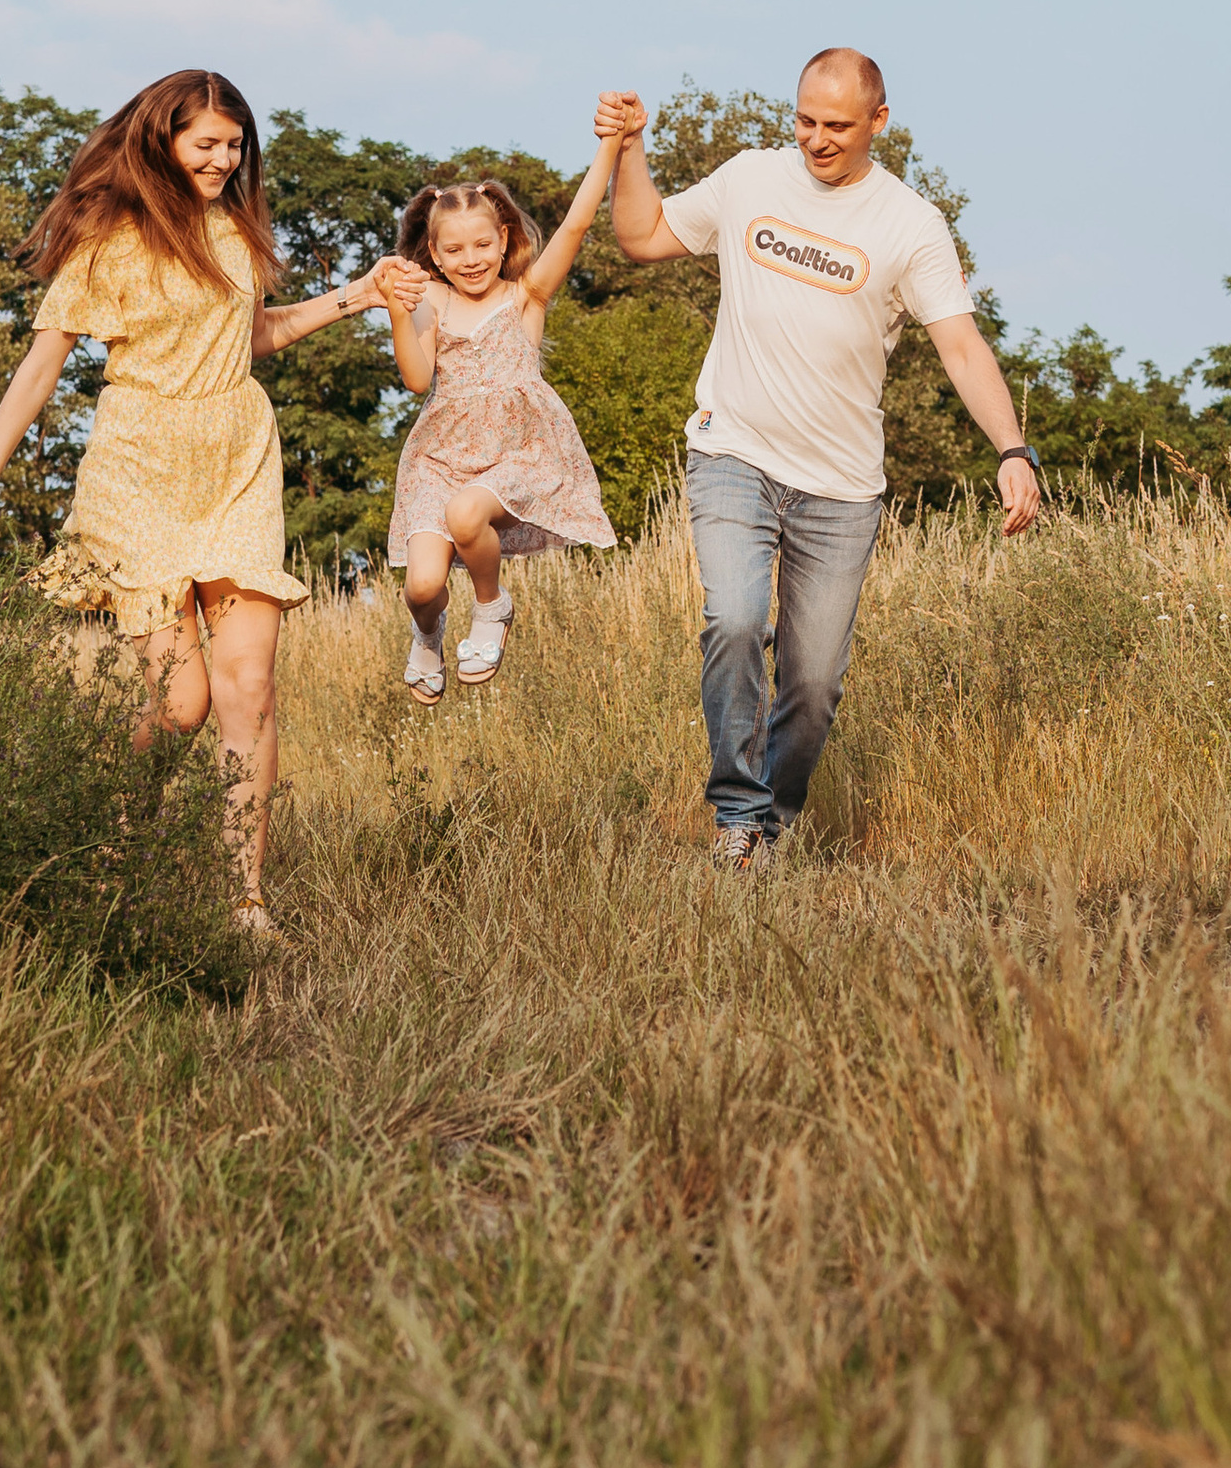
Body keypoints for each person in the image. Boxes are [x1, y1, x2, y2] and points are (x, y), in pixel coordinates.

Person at [0, 67, 387, 936]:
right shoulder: (109, 238)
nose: (225, 158)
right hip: (138, 461)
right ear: (164, 140)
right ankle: (108, 827)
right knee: (181, 707)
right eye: (207, 143)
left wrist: (354, 296)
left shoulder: (238, 232)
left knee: (248, 684)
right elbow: (40, 370)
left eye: (235, 144)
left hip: (238, 455)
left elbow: (251, 336)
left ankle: (246, 901)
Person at [598, 52, 1042, 864]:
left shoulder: (911, 223)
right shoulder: (748, 179)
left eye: (836, 125)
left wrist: (1012, 448)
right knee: (733, 620)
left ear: (879, 120)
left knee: (813, 685)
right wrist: (630, 150)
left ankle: (775, 818)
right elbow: (642, 236)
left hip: (840, 488)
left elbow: (962, 348)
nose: (816, 140)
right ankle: (738, 817)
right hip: (732, 450)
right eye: (805, 120)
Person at [373, 126, 626, 699]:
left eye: (483, 245)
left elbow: (578, 223)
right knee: (421, 586)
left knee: (468, 516)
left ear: (503, 239)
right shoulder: (432, 300)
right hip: (439, 456)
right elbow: (416, 381)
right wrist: (396, 309)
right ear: (434, 254)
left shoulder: (526, 296)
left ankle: (492, 606)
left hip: (517, 452)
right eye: (455, 250)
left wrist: (610, 146)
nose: (471, 260)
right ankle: (428, 633)